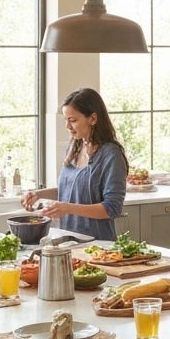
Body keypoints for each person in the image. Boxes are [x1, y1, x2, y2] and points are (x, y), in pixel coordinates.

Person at [21, 88, 127, 241]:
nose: (67, 126)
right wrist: (38, 195)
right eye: (66, 120)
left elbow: (112, 208)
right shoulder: (74, 147)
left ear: (93, 119)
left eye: (73, 120)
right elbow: (69, 189)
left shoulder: (111, 155)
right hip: (68, 240)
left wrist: (67, 208)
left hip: (98, 246)